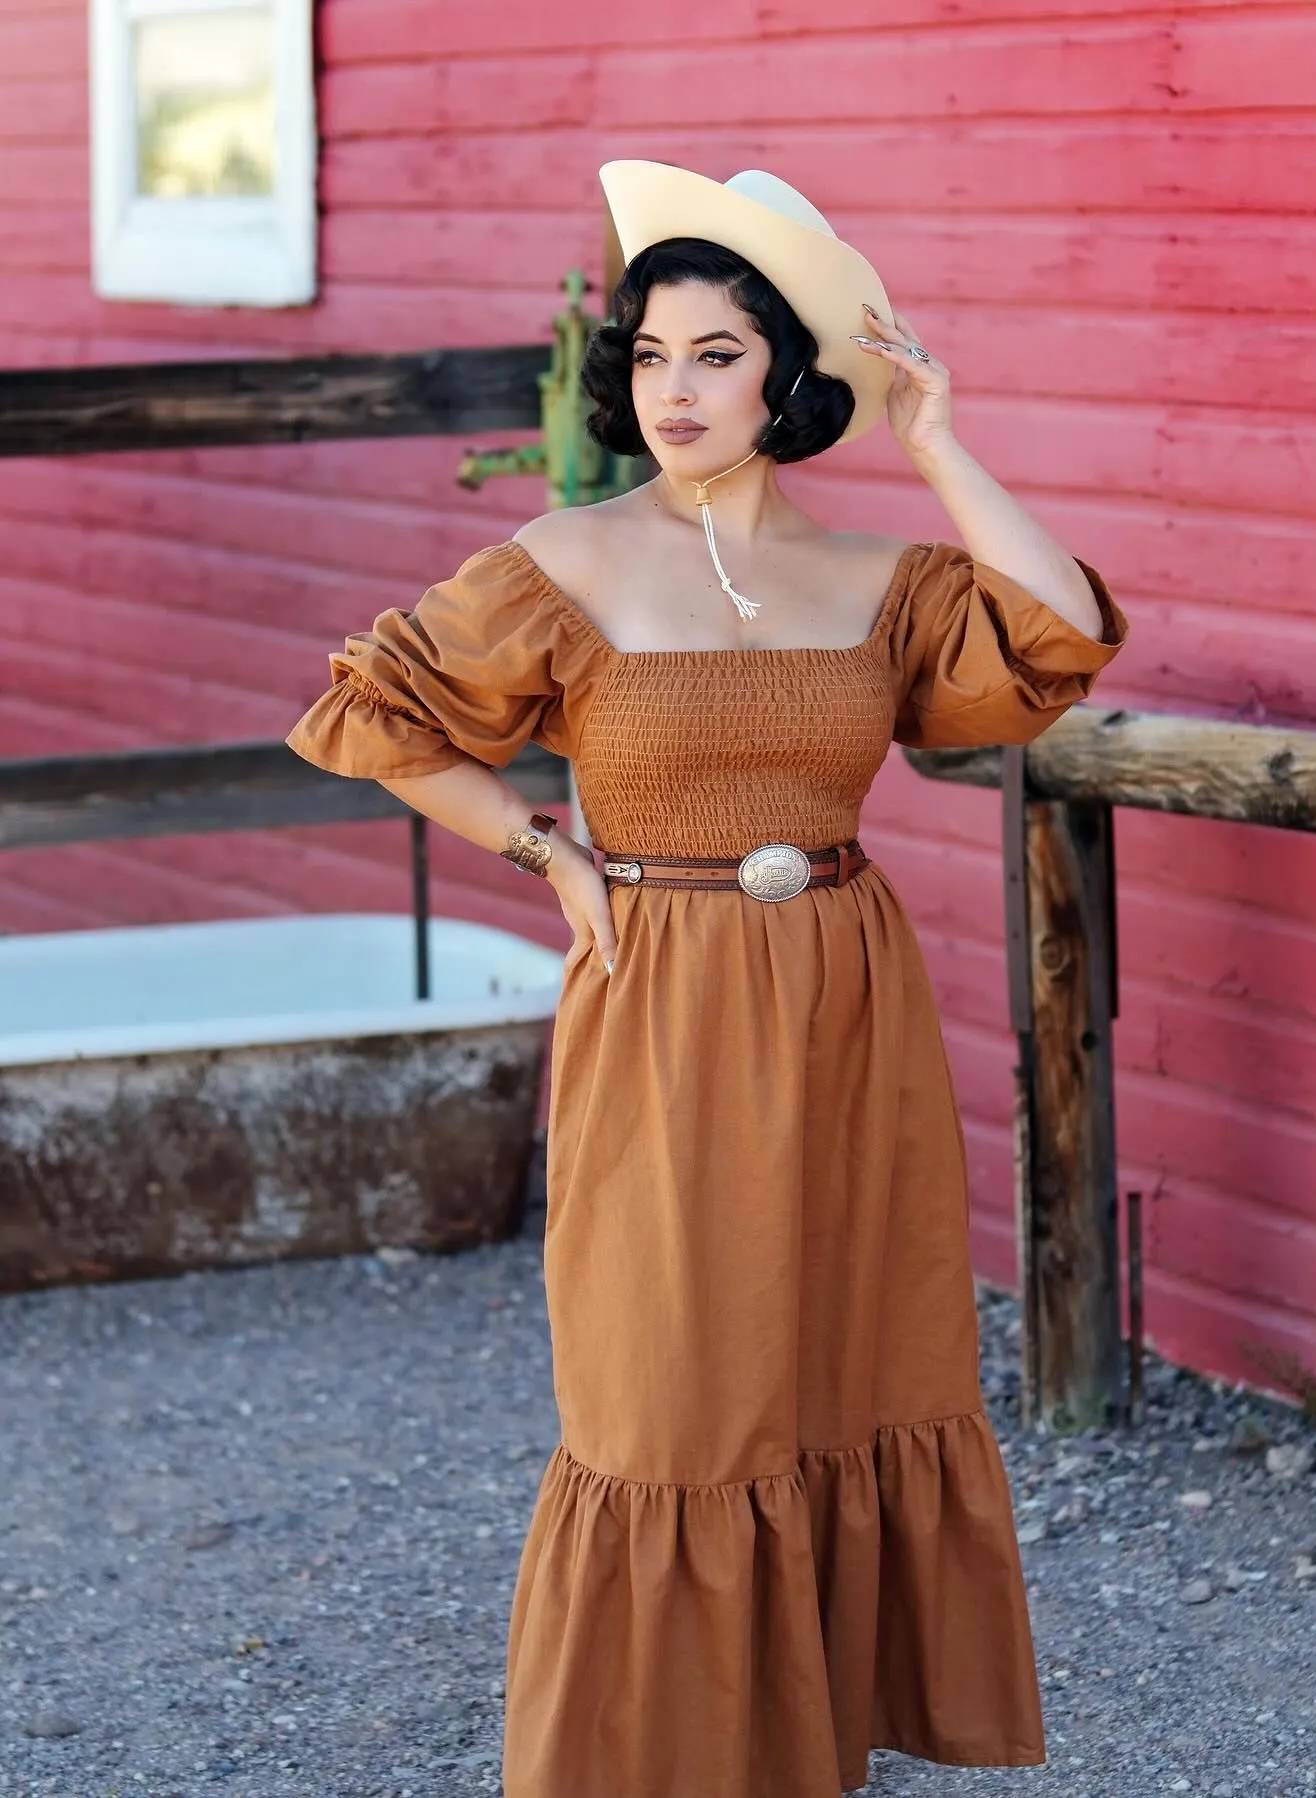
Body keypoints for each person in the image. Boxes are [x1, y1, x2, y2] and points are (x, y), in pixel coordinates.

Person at [286, 160, 1128, 1798]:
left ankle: (801, 1743)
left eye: (717, 355)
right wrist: (547, 854)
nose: (674, 389)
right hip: (661, 998)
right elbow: (369, 714)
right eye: (654, 353)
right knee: (665, 1389)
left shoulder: (885, 580)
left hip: (845, 997)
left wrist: (936, 441)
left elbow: (1059, 636)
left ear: (787, 378)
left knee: (842, 1362)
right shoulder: (566, 560)